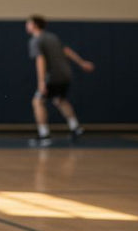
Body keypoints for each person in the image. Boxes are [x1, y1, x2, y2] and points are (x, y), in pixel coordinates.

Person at [26, 15, 95, 147]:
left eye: (28, 23)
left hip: (51, 76)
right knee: (59, 100)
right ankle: (75, 127)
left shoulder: (36, 40)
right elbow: (66, 51)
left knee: (37, 101)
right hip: (65, 74)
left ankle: (44, 135)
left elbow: (40, 60)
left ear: (34, 25)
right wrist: (81, 63)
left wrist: (41, 82)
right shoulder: (52, 37)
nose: (26, 26)